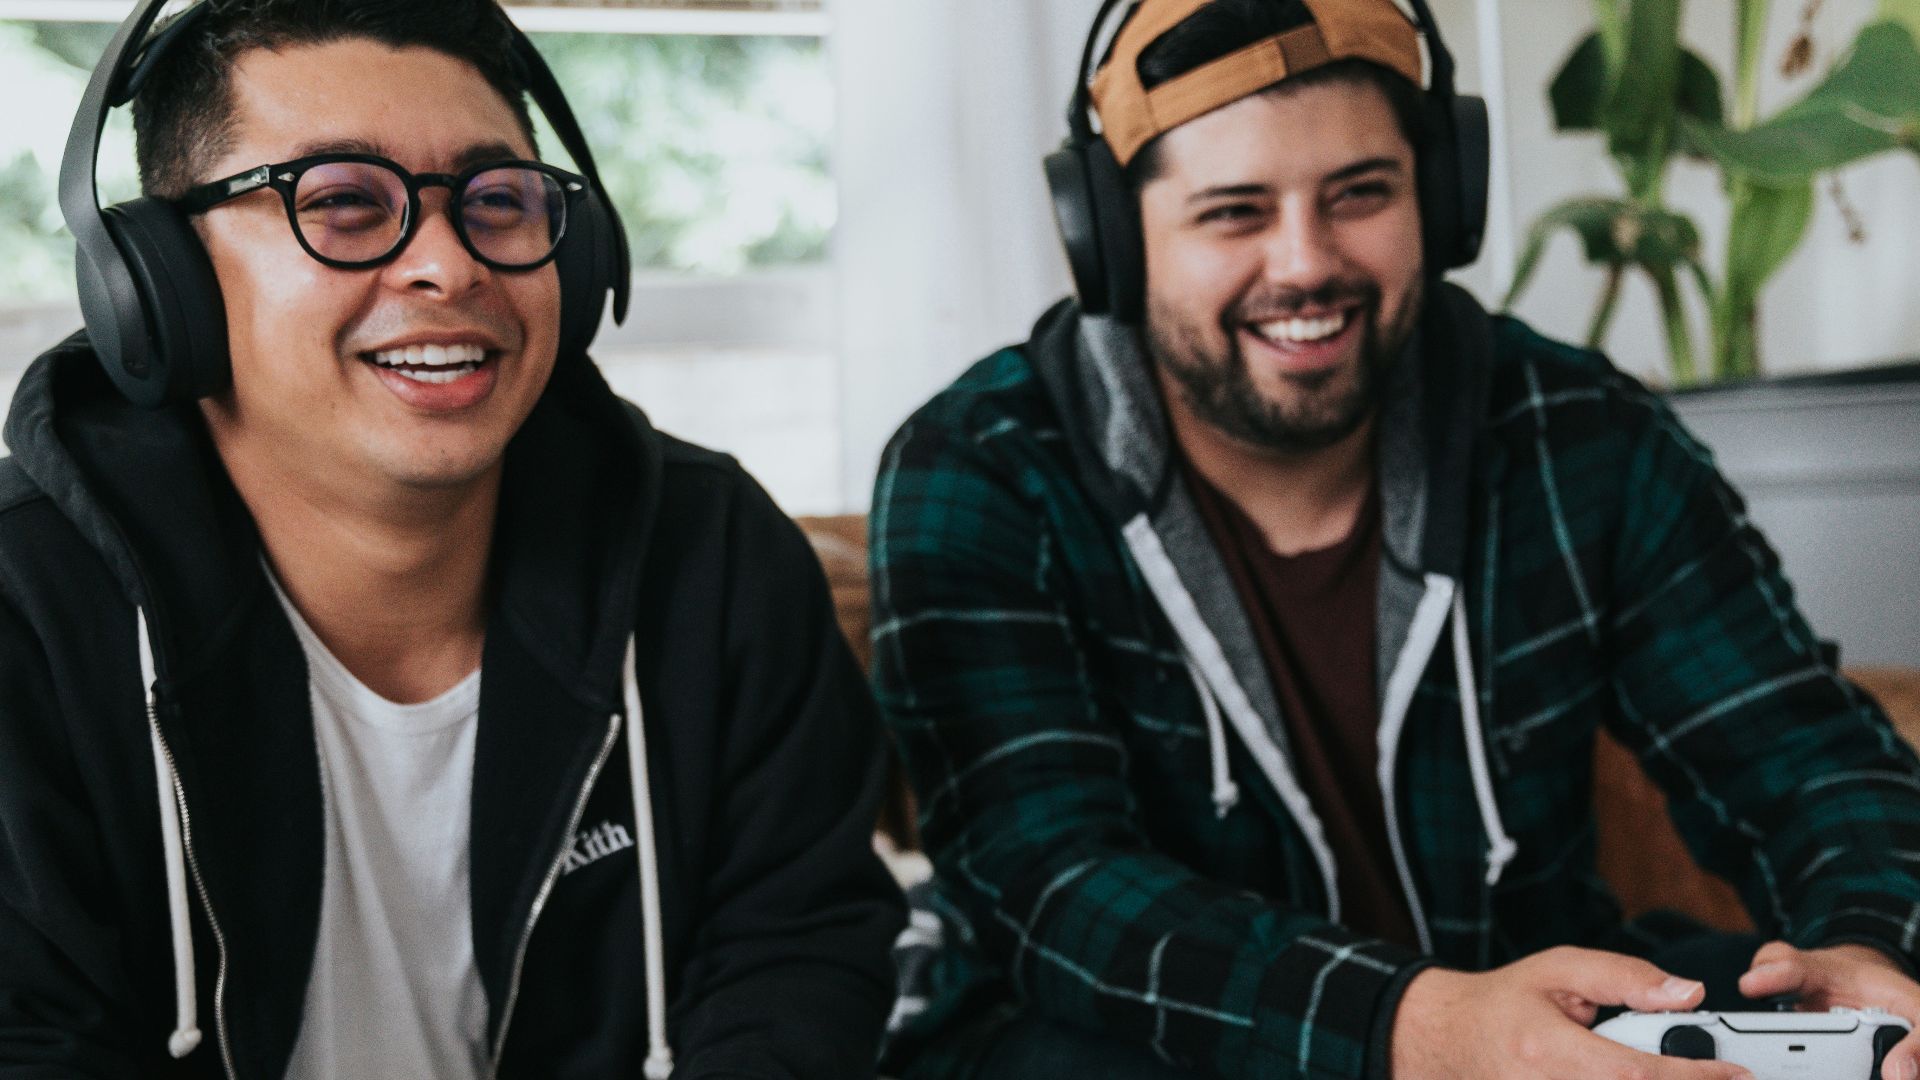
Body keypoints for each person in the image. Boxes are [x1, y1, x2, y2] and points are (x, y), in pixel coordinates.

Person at [867, 1, 1920, 1078]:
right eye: (1234, 212)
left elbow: (1800, 756)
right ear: (1114, 241)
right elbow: (1048, 880)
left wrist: (1867, 946)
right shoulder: (983, 466)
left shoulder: (1577, 433)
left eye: (1360, 194)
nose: (1307, 263)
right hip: (1117, 1041)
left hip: (1512, 1007)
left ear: (1443, 200)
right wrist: (1408, 1023)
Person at [0, 1, 902, 1077]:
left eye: (498, 201)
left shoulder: (712, 556)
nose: (451, 267)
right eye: (340, 201)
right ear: (157, 281)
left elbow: (799, 957)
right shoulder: (24, 613)